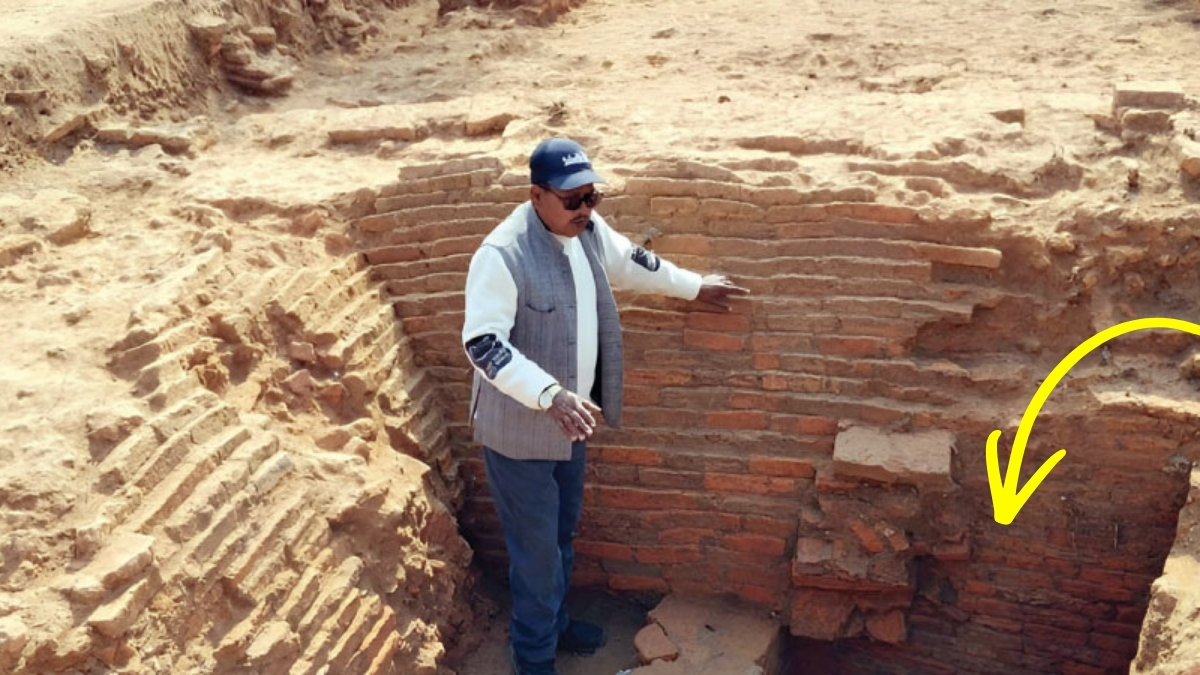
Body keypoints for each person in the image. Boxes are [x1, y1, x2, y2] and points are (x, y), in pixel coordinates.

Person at [461, 137, 748, 675]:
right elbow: (483, 346)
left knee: (563, 535)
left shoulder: (585, 231)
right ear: (537, 196)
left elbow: (632, 262)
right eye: (573, 200)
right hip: (520, 433)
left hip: (571, 424)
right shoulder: (501, 256)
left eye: (593, 197)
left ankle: (556, 625)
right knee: (537, 554)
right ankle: (534, 658)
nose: (586, 209)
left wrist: (694, 288)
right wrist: (549, 395)